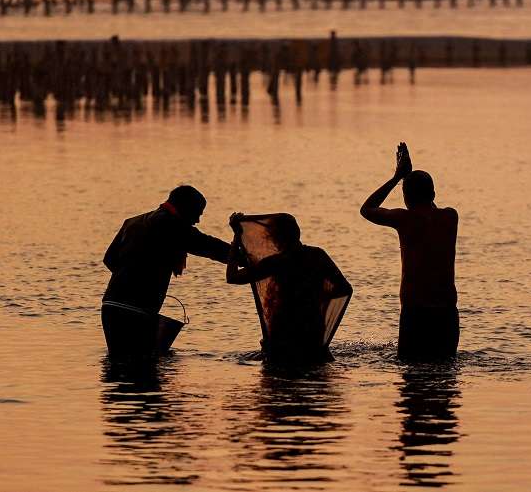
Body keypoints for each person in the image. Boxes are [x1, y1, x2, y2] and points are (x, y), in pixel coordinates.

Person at [101, 185, 230, 356]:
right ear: (184, 207)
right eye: (197, 213)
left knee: (121, 367)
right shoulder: (171, 225)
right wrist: (248, 257)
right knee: (144, 371)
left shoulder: (132, 222)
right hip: (136, 313)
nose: (197, 220)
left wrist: (133, 275)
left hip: (110, 308)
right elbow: (207, 246)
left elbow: (109, 259)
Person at [360, 143, 459, 360]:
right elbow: (429, 207)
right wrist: (411, 178)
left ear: (405, 197)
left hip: (416, 310)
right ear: (433, 193)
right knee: (446, 374)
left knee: (411, 374)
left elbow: (366, 209)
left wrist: (397, 177)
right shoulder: (450, 217)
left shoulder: (403, 219)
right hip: (447, 310)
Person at [226, 213, 352, 363]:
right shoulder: (317, 255)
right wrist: (318, 299)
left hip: (284, 330)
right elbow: (344, 289)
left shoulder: (276, 262)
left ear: (276, 238)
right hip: (313, 328)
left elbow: (232, 277)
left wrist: (236, 238)